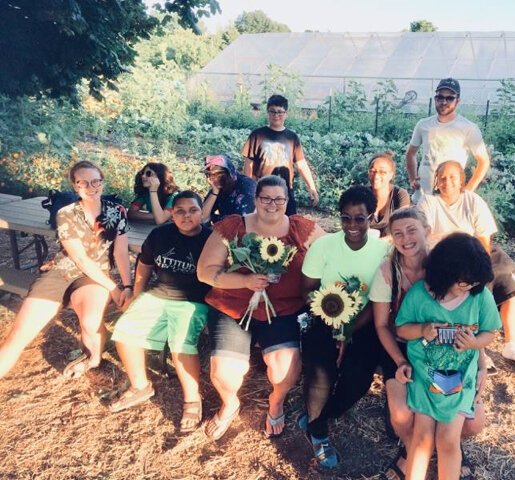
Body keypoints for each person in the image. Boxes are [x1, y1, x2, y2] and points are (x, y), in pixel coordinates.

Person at [197, 175, 325, 441]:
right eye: (266, 198)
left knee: (285, 370)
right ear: (255, 199)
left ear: (287, 201)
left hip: (282, 310)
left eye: (279, 199)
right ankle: (230, 403)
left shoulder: (301, 228)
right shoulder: (233, 227)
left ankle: (276, 402)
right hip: (233, 308)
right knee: (225, 373)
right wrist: (244, 280)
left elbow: (334, 251)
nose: (272, 204)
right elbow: (205, 272)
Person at [371, 207, 488, 479]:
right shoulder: (388, 271)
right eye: (397, 233)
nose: (405, 238)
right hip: (401, 345)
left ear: (427, 231)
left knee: (474, 423)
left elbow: (470, 318)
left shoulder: (447, 264)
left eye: (412, 230)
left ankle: (448, 443)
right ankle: (411, 449)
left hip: (448, 350)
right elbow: (382, 325)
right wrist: (400, 361)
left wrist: (480, 361)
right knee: (402, 417)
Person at [0, 160, 131, 379]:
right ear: (75, 186)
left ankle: (93, 358)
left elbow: (121, 252)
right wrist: (114, 289)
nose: (91, 187)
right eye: (83, 183)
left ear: (102, 182)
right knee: (19, 335)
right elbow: (79, 258)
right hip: (62, 272)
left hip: (95, 277)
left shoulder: (117, 211)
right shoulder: (66, 213)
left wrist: (126, 285)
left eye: (95, 181)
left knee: (90, 321)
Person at [395, 233, 501, 480]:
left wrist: (475, 342)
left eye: (475, 283)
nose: (470, 288)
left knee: (448, 441)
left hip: (460, 380)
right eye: (464, 283)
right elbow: (401, 329)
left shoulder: (480, 297)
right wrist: (422, 330)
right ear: (445, 273)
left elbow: (491, 332)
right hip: (424, 376)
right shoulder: (420, 295)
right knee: (421, 439)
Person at [299, 185, 390, 469]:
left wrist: (349, 329)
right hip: (323, 317)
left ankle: (323, 416)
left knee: (358, 379)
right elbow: (309, 291)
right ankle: (319, 434)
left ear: (371, 217)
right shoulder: (323, 246)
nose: (352, 225)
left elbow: (378, 300)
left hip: (364, 321)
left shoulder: (383, 251)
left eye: (359, 218)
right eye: (346, 218)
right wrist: (334, 321)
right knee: (319, 374)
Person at [418, 161, 515, 376]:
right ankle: (479, 349)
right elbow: (425, 239)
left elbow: (484, 241)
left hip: (476, 253)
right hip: (445, 256)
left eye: (453, 177)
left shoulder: (473, 201)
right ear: (436, 180)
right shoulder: (428, 202)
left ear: (462, 180)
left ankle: (512, 346)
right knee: (469, 288)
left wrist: (476, 266)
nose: (447, 182)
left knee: (511, 279)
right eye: (442, 177)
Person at [109, 191, 212, 434]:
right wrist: (136, 293)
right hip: (158, 294)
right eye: (180, 211)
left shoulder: (211, 239)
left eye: (193, 210)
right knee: (125, 330)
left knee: (181, 343)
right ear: (172, 214)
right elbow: (144, 264)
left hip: (192, 301)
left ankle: (192, 399)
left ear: (202, 213)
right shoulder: (160, 234)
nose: (187, 216)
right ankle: (140, 385)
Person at [405, 78, 491, 202]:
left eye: (450, 98)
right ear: (435, 99)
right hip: (422, 199)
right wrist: (412, 179)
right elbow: (410, 153)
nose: (444, 102)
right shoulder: (423, 125)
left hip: (450, 201)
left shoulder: (468, 128)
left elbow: (483, 161)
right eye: (440, 97)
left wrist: (467, 191)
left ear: (458, 101)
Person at [241, 94, 319, 215]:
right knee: (261, 226)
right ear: (267, 113)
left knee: (289, 224)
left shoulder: (292, 137)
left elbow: (301, 165)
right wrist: (249, 189)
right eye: (272, 112)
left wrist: (311, 187)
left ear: (286, 114)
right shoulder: (257, 135)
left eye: (280, 112)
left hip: (285, 191)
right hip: (262, 191)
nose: (276, 115)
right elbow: (248, 165)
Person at [201, 154, 256, 225]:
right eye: (211, 174)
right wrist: (215, 192)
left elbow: (240, 221)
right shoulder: (219, 186)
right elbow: (202, 217)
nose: (215, 178)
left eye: (219, 173)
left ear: (229, 172)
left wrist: (214, 219)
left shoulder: (247, 185)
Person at [368, 151, 410, 238]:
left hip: (393, 244)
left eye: (382, 172)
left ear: (391, 175)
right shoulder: (361, 195)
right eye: (372, 171)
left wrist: (379, 244)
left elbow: (402, 226)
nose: (376, 176)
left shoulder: (400, 195)